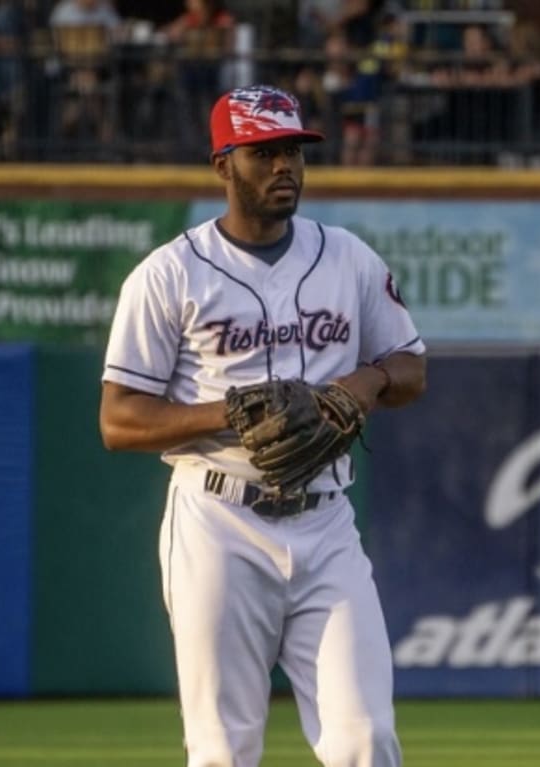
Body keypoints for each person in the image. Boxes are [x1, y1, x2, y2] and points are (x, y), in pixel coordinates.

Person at [98, 84, 426, 767]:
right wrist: (233, 411)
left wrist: (361, 384)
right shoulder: (168, 275)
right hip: (219, 518)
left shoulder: (348, 257)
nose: (285, 167)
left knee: (366, 737)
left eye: (294, 152)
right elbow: (120, 418)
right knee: (222, 749)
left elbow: (410, 368)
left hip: (326, 521)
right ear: (223, 165)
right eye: (264, 152)